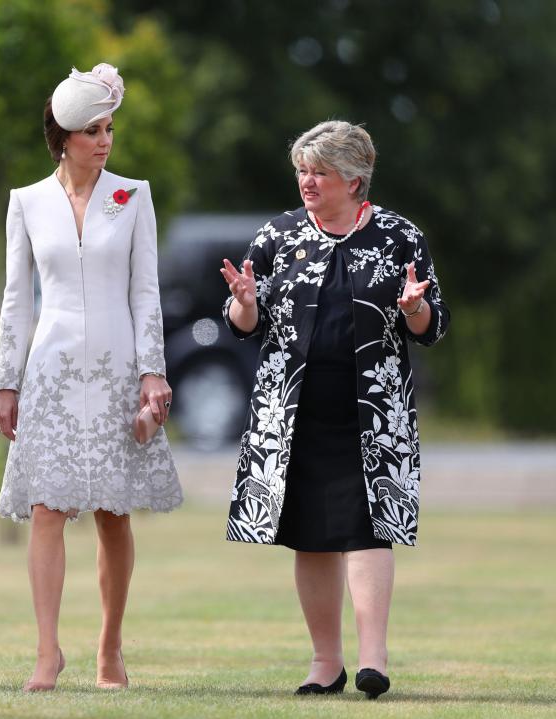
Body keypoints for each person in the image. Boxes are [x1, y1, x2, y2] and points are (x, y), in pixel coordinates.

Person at [219, 120, 449, 700]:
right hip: (295, 412)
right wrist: (244, 304)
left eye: (319, 172)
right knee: (311, 535)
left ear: (354, 179)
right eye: (302, 170)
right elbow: (246, 325)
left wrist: (414, 308)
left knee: (371, 527)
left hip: (371, 410)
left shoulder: (399, 238)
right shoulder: (277, 236)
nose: (307, 181)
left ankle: (374, 657)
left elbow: (431, 327)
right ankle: (326, 662)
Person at [0, 63, 183, 692]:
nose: (104, 140)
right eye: (92, 130)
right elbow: (17, 300)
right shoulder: (26, 202)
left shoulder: (134, 196)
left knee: (112, 513)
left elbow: (146, 292)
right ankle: (47, 652)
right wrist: (6, 381)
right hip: (49, 370)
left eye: (109, 128)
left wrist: (152, 372)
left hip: (117, 368)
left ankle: (110, 648)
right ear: (64, 136)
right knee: (48, 508)